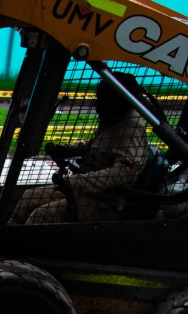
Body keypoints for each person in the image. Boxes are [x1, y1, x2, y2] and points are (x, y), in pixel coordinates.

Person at [19, 73, 151, 224]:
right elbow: (95, 145)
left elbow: (122, 172)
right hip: (85, 192)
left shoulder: (130, 130)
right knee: (29, 196)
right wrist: (67, 150)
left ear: (116, 101)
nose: (96, 105)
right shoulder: (113, 120)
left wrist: (76, 181)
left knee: (41, 216)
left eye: (101, 100)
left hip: (105, 203)